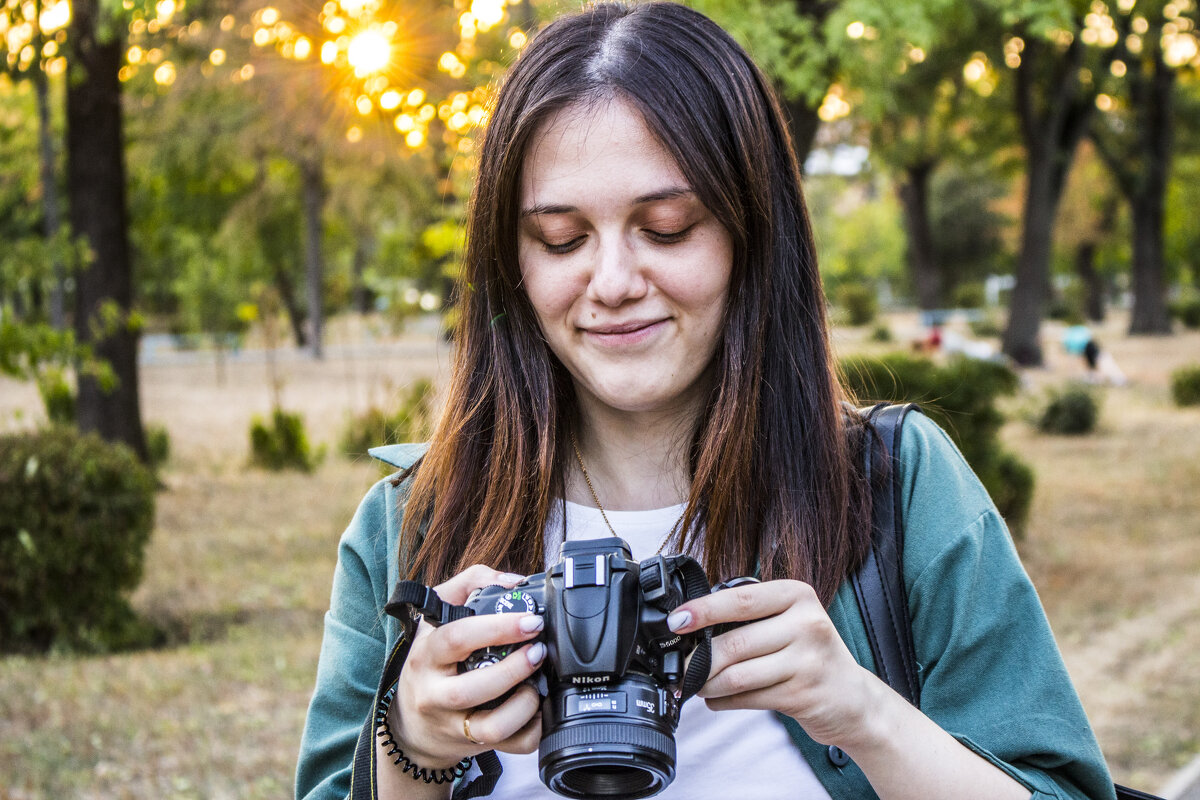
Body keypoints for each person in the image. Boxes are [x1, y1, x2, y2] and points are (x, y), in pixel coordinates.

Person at [295, 4, 1114, 799]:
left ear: (751, 234)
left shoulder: (894, 488)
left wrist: (863, 714)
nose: (613, 283)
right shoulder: (411, 527)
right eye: (562, 239)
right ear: (510, 259)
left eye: (669, 227)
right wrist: (411, 745)